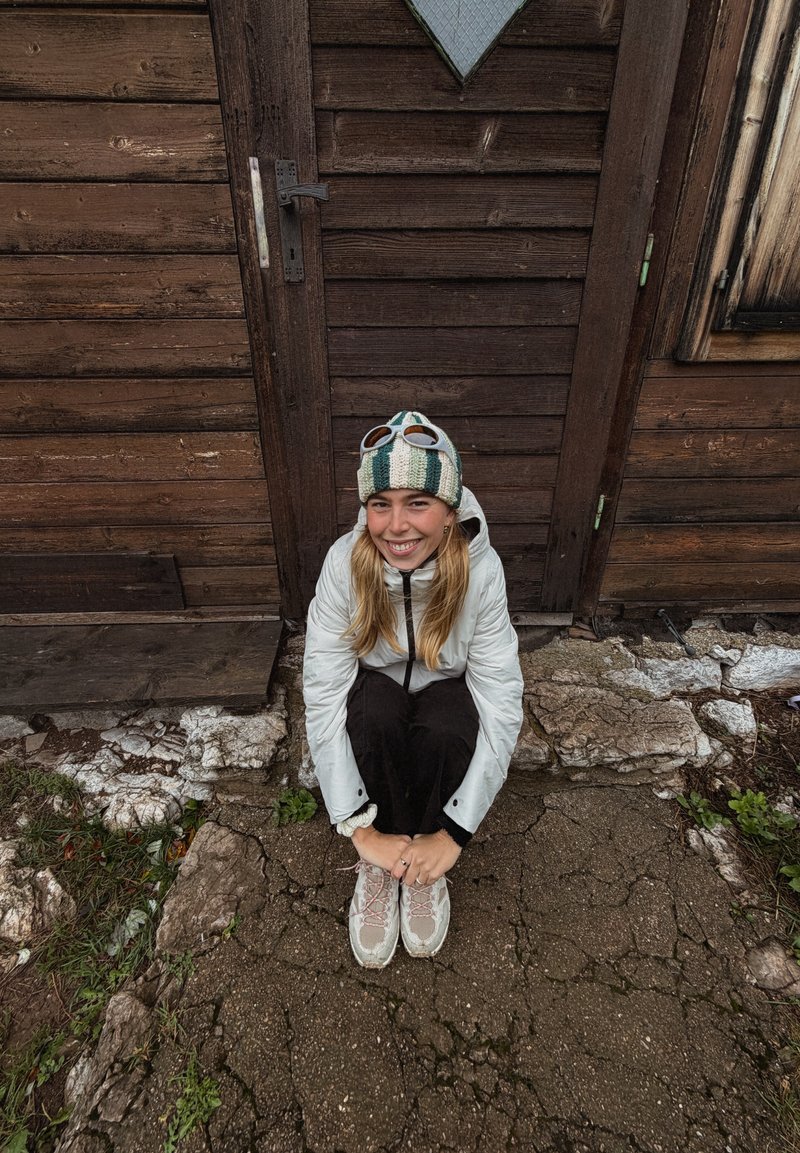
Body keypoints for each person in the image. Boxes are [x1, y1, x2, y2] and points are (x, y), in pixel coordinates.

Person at [303, 410, 523, 968]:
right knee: (371, 711)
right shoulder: (342, 566)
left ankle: (424, 861)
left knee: (452, 722)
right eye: (381, 504)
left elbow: (500, 702)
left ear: (450, 512)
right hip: (376, 689)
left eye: (417, 502)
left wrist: (455, 832)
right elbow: (324, 693)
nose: (396, 526)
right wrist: (358, 831)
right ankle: (383, 862)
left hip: (444, 688)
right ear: (365, 509)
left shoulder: (482, 572)